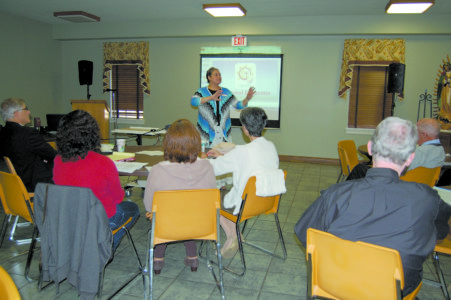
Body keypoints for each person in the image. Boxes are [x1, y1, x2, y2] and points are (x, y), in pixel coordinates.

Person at [294, 117, 451, 296]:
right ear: (410, 158)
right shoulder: (428, 199)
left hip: (335, 283)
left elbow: (304, 233)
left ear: (370, 148)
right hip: (391, 292)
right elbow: (439, 232)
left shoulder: (335, 194)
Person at [52, 110, 139, 252]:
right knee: (133, 208)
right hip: (100, 218)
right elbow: (118, 198)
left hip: (69, 218)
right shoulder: (104, 162)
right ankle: (103, 251)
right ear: (92, 133)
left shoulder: (58, 160)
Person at [143, 119, 216, 274]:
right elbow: (211, 201)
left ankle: (158, 259)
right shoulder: (207, 166)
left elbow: (149, 206)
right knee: (188, 212)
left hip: (167, 225)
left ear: (168, 144)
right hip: (200, 224)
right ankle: (192, 256)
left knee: (161, 214)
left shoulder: (157, 170)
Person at [207, 107, 280, 258]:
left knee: (210, 199)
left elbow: (214, 169)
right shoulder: (271, 147)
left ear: (244, 128)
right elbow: (248, 154)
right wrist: (223, 155)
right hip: (266, 200)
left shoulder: (241, 153)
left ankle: (233, 235)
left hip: (243, 205)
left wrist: (200, 160)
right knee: (227, 198)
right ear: (263, 125)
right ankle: (235, 233)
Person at [346, 117, 446, 180]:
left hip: (401, 183)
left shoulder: (421, 152)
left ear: (424, 135)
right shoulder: (440, 151)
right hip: (422, 186)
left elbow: (399, 170)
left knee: (359, 169)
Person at [0, 98, 56, 191]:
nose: (29, 112)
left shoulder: (3, 132)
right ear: (16, 113)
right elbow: (53, 155)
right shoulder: (27, 133)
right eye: (26, 109)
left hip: (18, 182)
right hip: (36, 183)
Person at [190, 67, 256, 147]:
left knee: (224, 156)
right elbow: (193, 102)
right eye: (216, 75)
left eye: (220, 75)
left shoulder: (226, 91)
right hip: (206, 133)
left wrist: (247, 98)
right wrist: (211, 97)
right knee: (207, 156)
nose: (219, 77)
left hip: (223, 132)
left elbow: (238, 105)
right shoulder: (201, 91)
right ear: (209, 77)